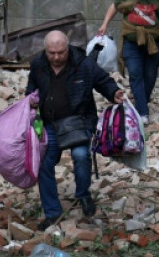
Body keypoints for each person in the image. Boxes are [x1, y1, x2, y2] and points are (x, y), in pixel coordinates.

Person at [26, 30, 124, 231]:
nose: (56, 57)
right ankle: (52, 213)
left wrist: (114, 93)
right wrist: (30, 104)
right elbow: (31, 89)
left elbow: (103, 80)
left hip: (79, 122)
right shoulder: (38, 64)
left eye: (60, 52)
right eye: (51, 53)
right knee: (44, 164)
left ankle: (83, 194)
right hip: (50, 124)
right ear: (46, 50)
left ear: (67, 48)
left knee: (80, 155)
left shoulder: (83, 63)